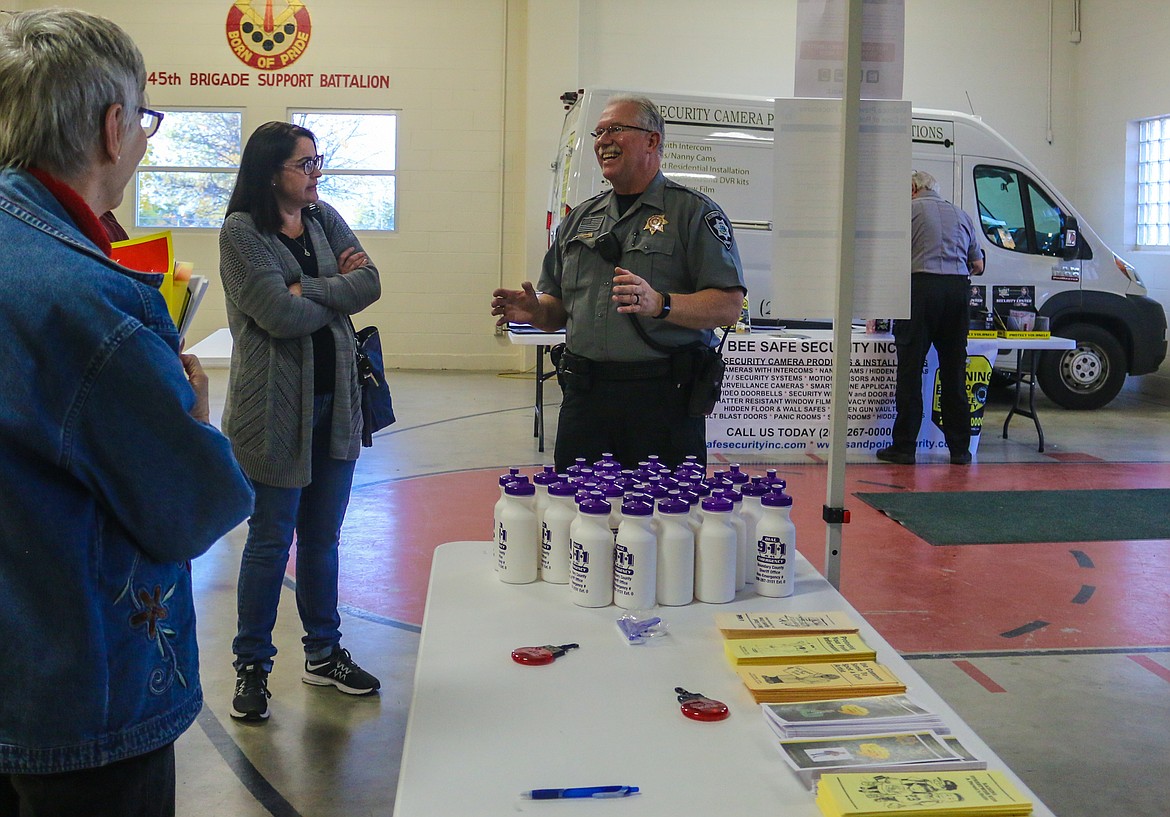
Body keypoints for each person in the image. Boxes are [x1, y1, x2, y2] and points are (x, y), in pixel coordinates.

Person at [0, 9, 254, 815]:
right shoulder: (90, 306)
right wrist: (188, 410)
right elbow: (196, 502)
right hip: (78, 702)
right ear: (114, 128)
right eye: (143, 119)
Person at [219, 121, 382, 722]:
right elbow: (276, 314)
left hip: (336, 406)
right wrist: (331, 291)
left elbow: (371, 282)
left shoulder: (322, 218)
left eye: (318, 163)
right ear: (270, 173)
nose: (316, 174)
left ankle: (323, 652)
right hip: (272, 415)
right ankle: (252, 666)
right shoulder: (242, 232)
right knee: (269, 543)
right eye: (305, 165)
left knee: (322, 540)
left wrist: (309, 286)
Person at [491, 94, 745, 471]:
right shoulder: (580, 219)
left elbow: (728, 305)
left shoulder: (693, 213)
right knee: (579, 517)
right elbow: (558, 309)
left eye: (615, 129)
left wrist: (661, 303)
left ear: (652, 140)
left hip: (663, 401)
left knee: (664, 521)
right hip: (587, 399)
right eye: (599, 132)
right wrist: (534, 312)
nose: (602, 140)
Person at [877, 169, 984, 466]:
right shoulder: (962, 215)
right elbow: (977, 264)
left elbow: (890, 257)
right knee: (954, 372)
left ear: (912, 188)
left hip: (921, 290)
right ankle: (960, 450)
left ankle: (904, 448)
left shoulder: (908, 212)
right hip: (957, 291)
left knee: (911, 370)